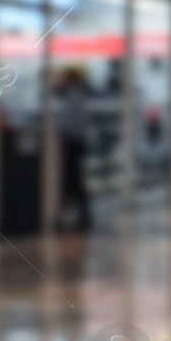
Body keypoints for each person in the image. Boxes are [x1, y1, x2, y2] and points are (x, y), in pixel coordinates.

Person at [55, 67, 92, 232]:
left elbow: (71, 123)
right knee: (75, 180)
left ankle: (80, 216)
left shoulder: (73, 97)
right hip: (76, 142)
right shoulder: (76, 97)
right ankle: (80, 215)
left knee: (74, 180)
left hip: (73, 143)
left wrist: (61, 132)